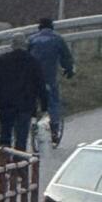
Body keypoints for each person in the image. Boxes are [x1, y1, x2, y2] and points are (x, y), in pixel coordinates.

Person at [0, 33, 47, 152]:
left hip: (6, 104)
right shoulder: (33, 61)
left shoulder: (3, 60)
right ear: (25, 45)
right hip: (26, 105)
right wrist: (44, 105)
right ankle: (19, 166)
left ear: (12, 45)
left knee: (5, 137)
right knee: (21, 139)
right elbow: (41, 85)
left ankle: (4, 163)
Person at [28, 18, 75, 147]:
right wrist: (69, 69)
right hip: (49, 78)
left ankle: (32, 122)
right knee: (53, 102)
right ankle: (54, 131)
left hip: (33, 78)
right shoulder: (58, 39)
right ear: (52, 27)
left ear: (39, 27)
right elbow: (66, 57)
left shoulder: (32, 39)